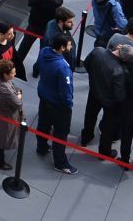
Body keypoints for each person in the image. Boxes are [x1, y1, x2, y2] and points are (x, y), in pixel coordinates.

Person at [80, 43, 133, 157]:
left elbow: (86, 64)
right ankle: (104, 151)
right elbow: (119, 95)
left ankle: (86, 137)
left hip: (94, 92)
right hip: (109, 102)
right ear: (125, 59)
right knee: (108, 127)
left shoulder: (98, 51)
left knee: (90, 115)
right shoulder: (119, 71)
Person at [35, 32, 77, 175]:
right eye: (69, 44)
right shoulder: (62, 67)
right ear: (62, 48)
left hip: (44, 97)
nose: (71, 46)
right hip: (58, 105)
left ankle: (41, 147)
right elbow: (65, 90)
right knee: (61, 133)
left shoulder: (44, 52)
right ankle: (60, 163)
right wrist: (68, 104)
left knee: (43, 124)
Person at [18, 0, 63, 66]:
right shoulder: (57, 2)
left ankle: (16, 65)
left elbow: (30, 4)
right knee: (43, 50)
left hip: (33, 26)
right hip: (46, 30)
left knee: (24, 47)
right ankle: (37, 69)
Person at [0, 60, 22, 170]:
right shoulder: (4, 90)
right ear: (5, 75)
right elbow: (18, 103)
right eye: (12, 73)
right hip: (5, 117)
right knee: (1, 140)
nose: (15, 74)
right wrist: (19, 95)